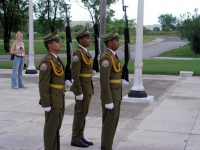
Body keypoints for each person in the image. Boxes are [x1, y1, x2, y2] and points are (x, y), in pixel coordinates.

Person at [39, 30, 71, 150]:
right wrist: (45, 103)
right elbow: (43, 84)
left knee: (56, 128)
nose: (60, 43)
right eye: (57, 41)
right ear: (50, 45)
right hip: (52, 100)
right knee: (50, 129)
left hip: (59, 98)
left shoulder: (56, 60)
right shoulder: (46, 61)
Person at [99, 28, 129, 150]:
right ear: (110, 42)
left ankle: (108, 145)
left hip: (116, 94)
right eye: (116, 40)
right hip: (111, 95)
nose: (119, 42)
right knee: (109, 124)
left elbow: (113, 75)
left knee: (113, 123)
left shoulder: (113, 56)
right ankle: (106, 147)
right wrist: (108, 100)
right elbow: (104, 80)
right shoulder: (106, 57)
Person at [70, 26, 95, 148]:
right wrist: (78, 91)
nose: (89, 40)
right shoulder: (77, 54)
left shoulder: (85, 52)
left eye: (89, 38)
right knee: (80, 113)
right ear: (80, 40)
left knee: (83, 113)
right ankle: (75, 138)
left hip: (87, 87)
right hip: (82, 89)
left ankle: (80, 136)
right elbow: (75, 74)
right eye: (87, 38)